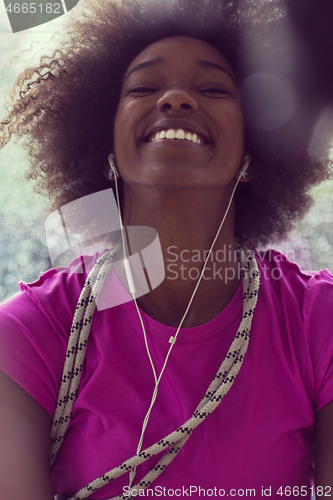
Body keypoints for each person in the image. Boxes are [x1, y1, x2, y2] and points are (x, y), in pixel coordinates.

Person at [0, 0, 332, 499]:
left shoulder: (317, 322)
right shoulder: (30, 332)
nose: (176, 99)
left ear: (255, 149)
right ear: (104, 145)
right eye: (144, 87)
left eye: (213, 88)